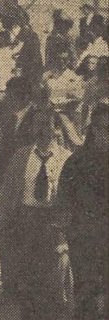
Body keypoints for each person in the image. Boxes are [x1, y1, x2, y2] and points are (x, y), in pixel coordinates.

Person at [0, 105, 73, 319]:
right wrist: (4, 225)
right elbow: (7, 194)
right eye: (37, 125)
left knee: (55, 286)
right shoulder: (21, 157)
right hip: (26, 223)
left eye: (46, 125)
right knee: (26, 284)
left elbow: (73, 199)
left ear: (56, 129)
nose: (41, 130)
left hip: (54, 226)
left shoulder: (67, 159)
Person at [56, 100, 109, 320]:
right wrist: (64, 238)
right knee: (86, 300)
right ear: (93, 129)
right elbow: (63, 204)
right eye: (105, 129)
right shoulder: (76, 163)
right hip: (85, 243)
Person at [0, 76, 36, 206]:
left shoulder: (37, 117)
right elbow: (3, 158)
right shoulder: (12, 119)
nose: (6, 100)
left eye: (10, 96)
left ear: (25, 98)